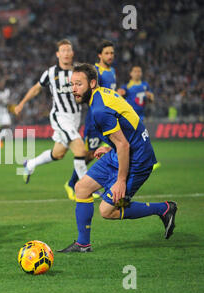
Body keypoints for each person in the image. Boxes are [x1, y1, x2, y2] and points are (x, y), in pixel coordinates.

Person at [58, 63, 177, 253]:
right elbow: (123, 128)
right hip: (122, 151)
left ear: (92, 83)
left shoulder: (99, 110)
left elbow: (124, 144)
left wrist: (121, 180)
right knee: (81, 188)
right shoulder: (102, 95)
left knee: (107, 210)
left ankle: (163, 209)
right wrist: (110, 147)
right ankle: (82, 245)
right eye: (72, 84)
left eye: (79, 84)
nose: (74, 89)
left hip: (137, 158)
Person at [15, 39, 86, 185]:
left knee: (58, 154)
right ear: (58, 54)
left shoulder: (79, 71)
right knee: (80, 149)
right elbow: (36, 88)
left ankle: (30, 164)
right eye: (63, 50)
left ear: (72, 53)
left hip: (76, 117)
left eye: (68, 50)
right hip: (60, 117)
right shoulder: (50, 73)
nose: (66, 53)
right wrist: (21, 103)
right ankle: (87, 187)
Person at [65, 40, 117, 200]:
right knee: (88, 154)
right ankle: (73, 182)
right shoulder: (96, 72)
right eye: (106, 53)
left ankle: (107, 183)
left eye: (112, 53)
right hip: (96, 121)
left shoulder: (112, 70)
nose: (110, 56)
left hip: (109, 118)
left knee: (105, 150)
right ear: (100, 55)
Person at [119, 66, 160, 170]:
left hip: (140, 116)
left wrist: (150, 96)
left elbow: (151, 98)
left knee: (140, 140)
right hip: (130, 117)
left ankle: (140, 161)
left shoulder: (145, 85)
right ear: (131, 74)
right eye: (135, 71)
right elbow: (119, 94)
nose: (137, 73)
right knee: (141, 139)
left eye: (139, 71)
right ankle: (146, 162)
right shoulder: (127, 86)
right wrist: (120, 93)